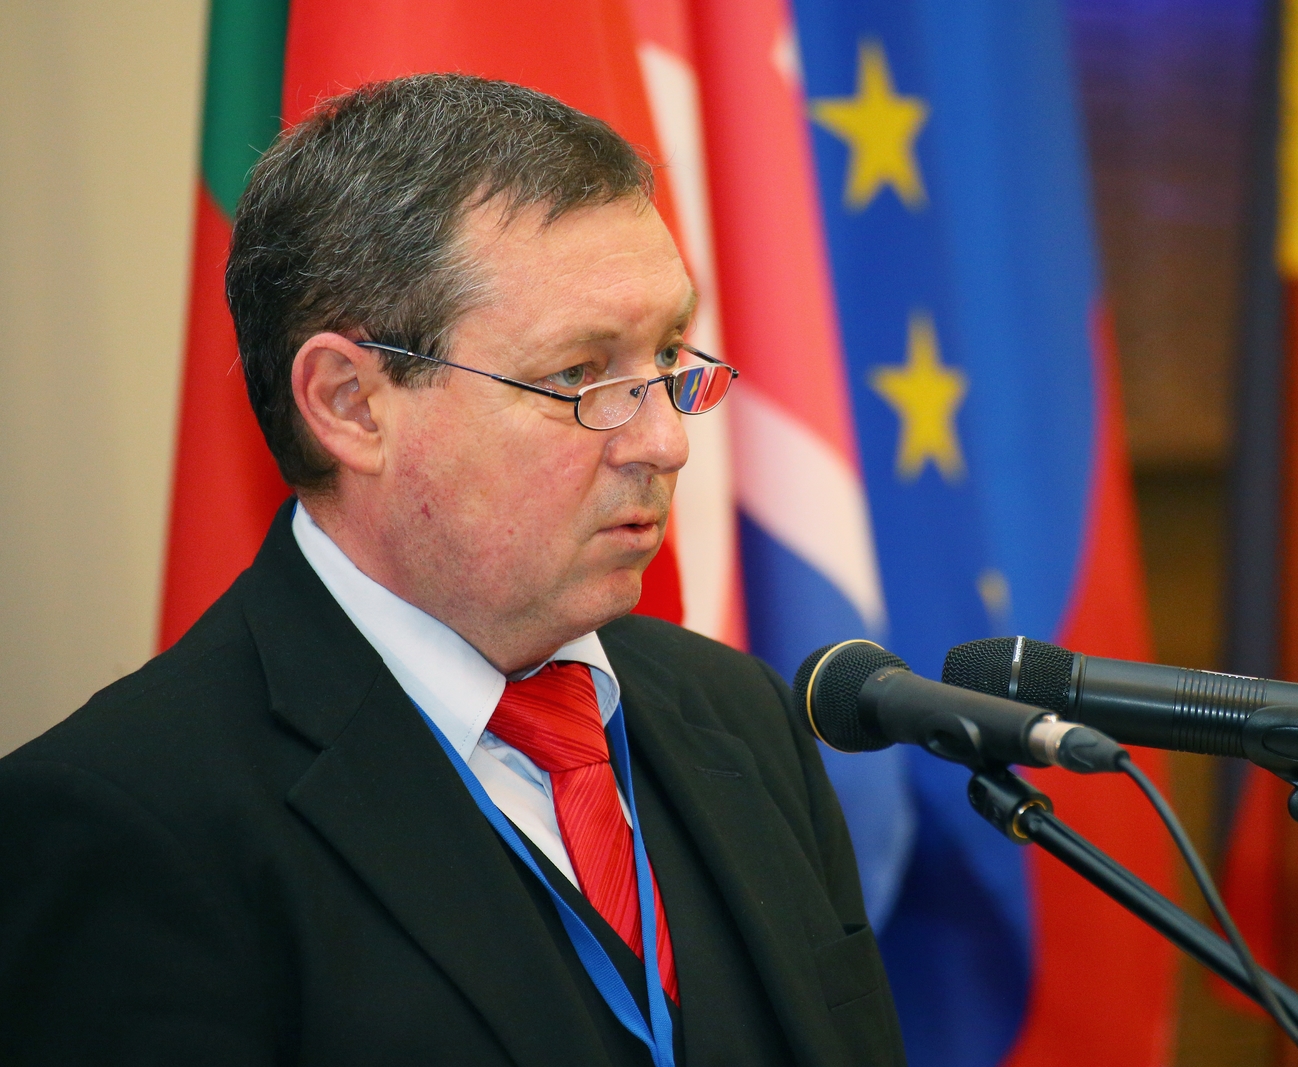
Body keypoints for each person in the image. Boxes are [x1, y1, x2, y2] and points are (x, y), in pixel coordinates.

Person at [0, 73, 905, 1067]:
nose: (665, 440)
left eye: (666, 356)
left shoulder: (739, 712)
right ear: (350, 404)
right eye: (578, 373)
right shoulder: (126, 821)